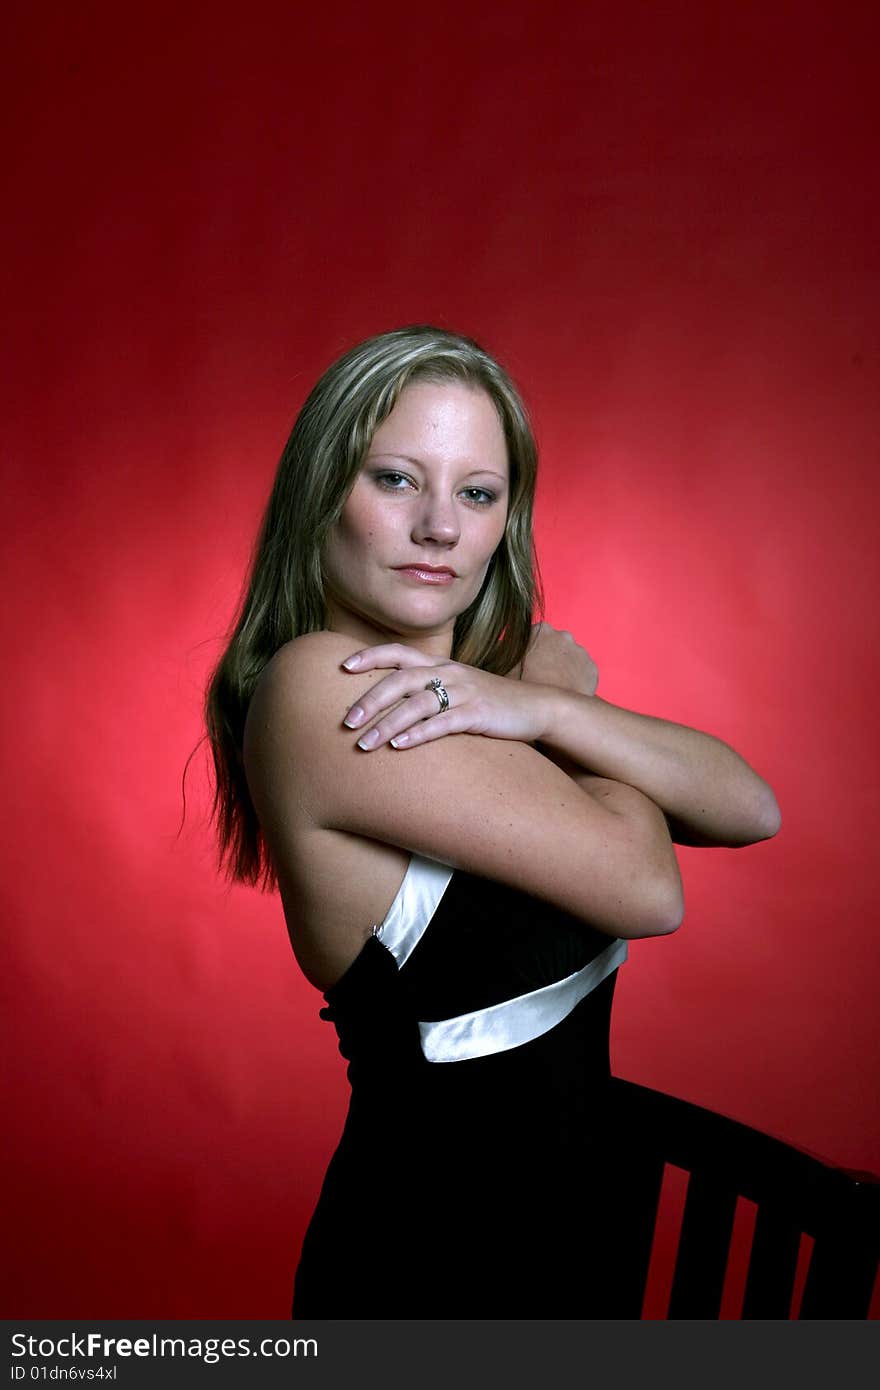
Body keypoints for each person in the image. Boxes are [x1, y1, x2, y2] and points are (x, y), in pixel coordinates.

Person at [202, 324, 780, 1317]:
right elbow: (647, 887)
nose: (439, 526)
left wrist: (549, 710)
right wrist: (559, 706)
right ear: (320, 495)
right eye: (394, 479)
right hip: (431, 1274)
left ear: (505, 520)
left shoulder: (483, 700)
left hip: (562, 1267)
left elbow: (748, 805)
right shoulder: (318, 689)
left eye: (477, 492)